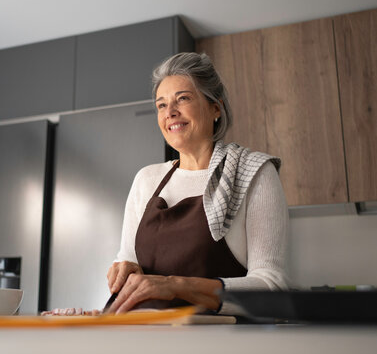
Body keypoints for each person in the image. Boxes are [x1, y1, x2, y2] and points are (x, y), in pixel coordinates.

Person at [106, 52, 289, 315]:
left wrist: (175, 285)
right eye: (161, 105)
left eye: (183, 98)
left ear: (216, 107)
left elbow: (272, 287)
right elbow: (128, 263)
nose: (170, 112)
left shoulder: (254, 173)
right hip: (139, 336)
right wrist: (124, 270)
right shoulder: (146, 179)